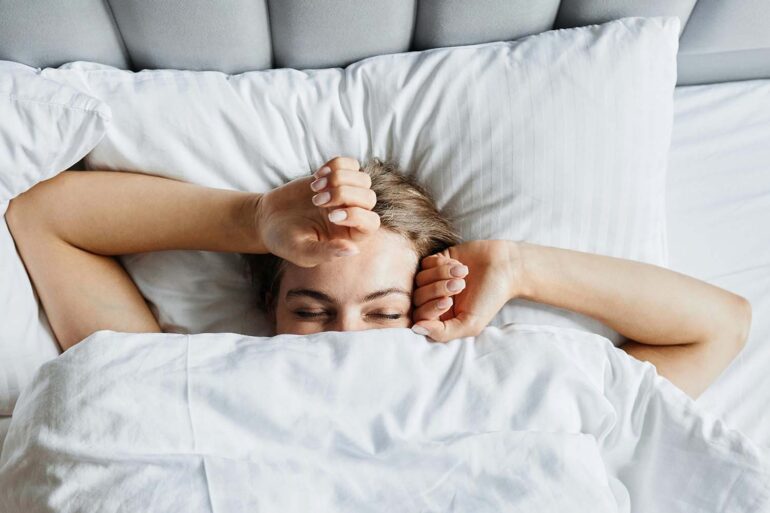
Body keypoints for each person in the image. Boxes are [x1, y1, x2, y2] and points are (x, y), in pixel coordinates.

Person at [6, 156, 751, 399]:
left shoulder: (492, 391)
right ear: (270, 310)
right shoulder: (196, 386)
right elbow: (43, 216)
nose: (346, 340)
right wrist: (250, 220)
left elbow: (719, 326)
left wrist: (519, 267)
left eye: (384, 311)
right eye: (311, 310)